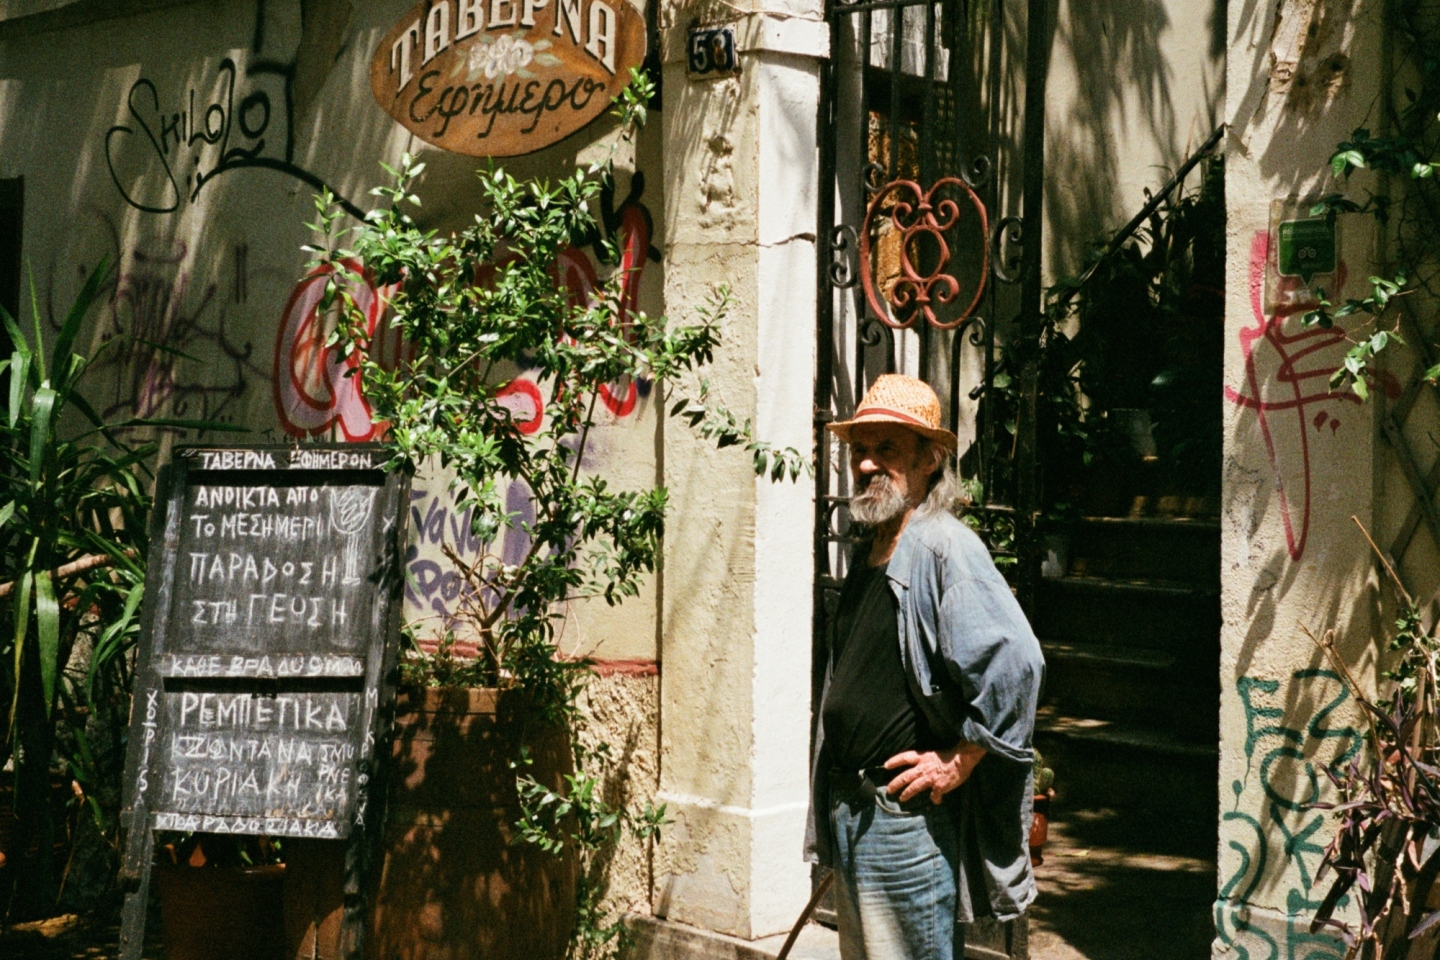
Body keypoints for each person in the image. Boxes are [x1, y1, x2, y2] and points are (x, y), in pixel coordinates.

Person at [805, 374, 1045, 960]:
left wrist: (960, 759)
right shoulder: (872, 548)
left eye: (887, 448)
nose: (866, 463)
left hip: (904, 825)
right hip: (853, 810)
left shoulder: (944, 547)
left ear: (929, 460)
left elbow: (1016, 663)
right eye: (860, 449)